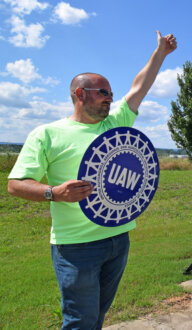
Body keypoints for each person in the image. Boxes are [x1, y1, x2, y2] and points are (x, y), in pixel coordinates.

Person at [7, 31, 177, 329]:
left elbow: (140, 87)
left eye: (111, 94)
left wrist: (160, 53)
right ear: (80, 94)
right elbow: (16, 183)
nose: (110, 99)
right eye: (103, 93)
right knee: (79, 321)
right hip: (76, 247)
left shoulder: (115, 124)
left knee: (96, 317)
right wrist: (54, 193)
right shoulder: (47, 134)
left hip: (117, 238)